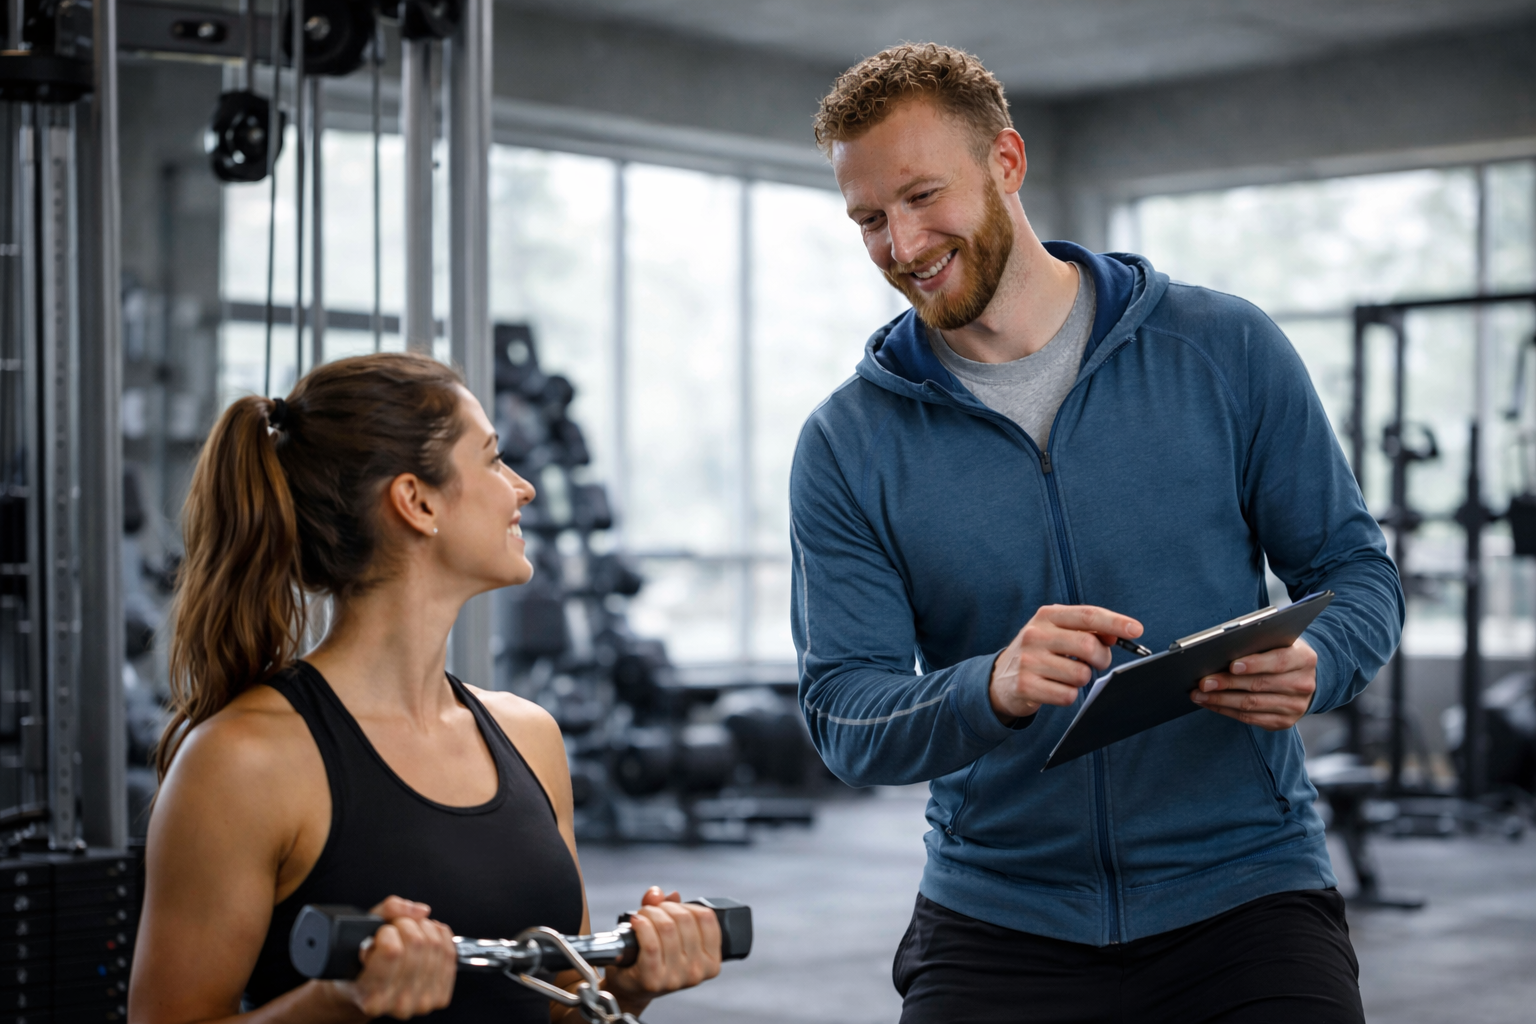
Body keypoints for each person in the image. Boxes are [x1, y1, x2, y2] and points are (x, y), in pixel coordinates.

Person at [791, 43, 1403, 1023]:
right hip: (998, 912)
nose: (901, 246)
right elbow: (845, 715)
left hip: (1243, 893)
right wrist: (988, 684)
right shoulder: (846, 444)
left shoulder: (1225, 349)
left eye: (920, 196)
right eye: (869, 218)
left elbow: (1356, 569)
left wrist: (1320, 658)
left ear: (1007, 162)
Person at [130, 353, 722, 1023]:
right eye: (495, 460)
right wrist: (335, 1002)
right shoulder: (242, 759)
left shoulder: (530, 736)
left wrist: (630, 987)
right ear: (416, 501)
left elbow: (556, 1010)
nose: (522, 488)